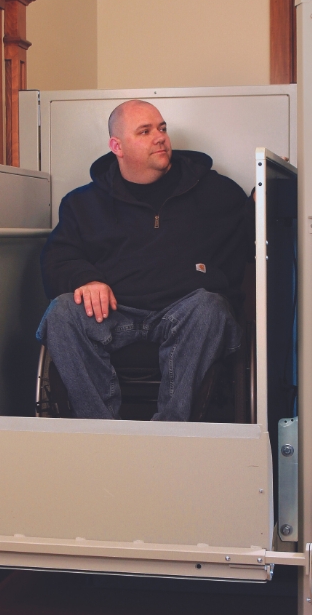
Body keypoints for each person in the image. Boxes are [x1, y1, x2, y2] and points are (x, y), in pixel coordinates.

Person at [37, 99, 252, 420]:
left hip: (187, 316)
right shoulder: (83, 203)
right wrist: (86, 278)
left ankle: (168, 434)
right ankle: (102, 434)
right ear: (117, 146)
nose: (160, 137)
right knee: (61, 313)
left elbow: (250, 255)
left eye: (162, 128)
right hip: (113, 314)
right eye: (145, 131)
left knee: (211, 308)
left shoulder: (217, 194)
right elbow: (57, 259)